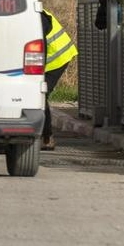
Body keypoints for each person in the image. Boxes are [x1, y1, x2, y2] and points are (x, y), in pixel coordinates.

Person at [40, 9, 78, 150]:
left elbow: (40, 46)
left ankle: (47, 138)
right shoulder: (36, 12)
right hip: (54, 57)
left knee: (40, 95)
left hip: (57, 58)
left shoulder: (38, 17)